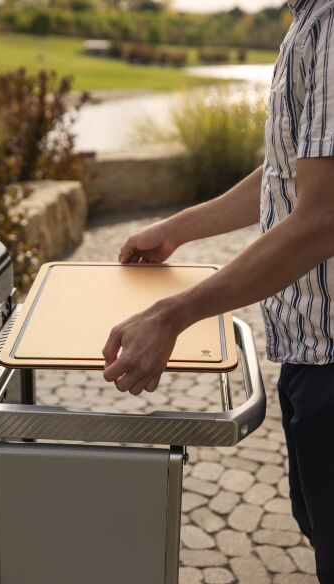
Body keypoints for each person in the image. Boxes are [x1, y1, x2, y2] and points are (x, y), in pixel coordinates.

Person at [102, 1, 334, 581]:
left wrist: (171, 316)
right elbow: (288, 171)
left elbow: (324, 217)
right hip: (313, 358)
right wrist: (178, 229)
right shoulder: (309, 20)